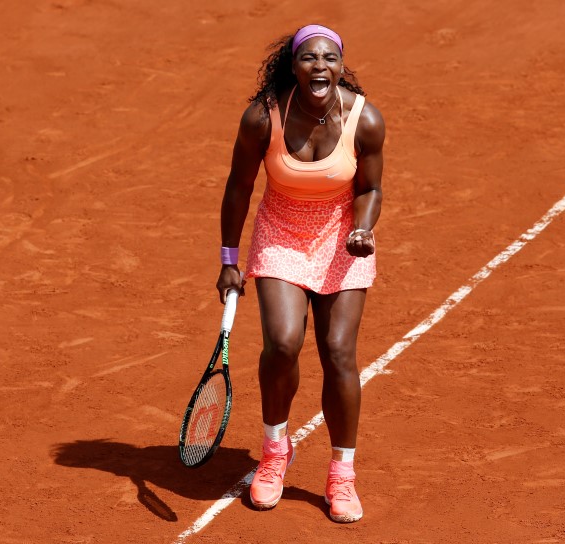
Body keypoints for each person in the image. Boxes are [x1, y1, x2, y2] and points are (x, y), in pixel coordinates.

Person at [215, 24, 384, 523]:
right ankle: (274, 453)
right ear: (293, 67)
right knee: (283, 344)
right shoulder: (261, 118)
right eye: (308, 58)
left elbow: (370, 188)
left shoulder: (365, 119)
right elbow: (239, 187)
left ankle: (342, 474)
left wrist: (363, 227)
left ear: (340, 65)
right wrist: (229, 260)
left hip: (341, 238)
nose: (319, 66)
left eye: (329, 58)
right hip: (280, 232)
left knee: (338, 353)